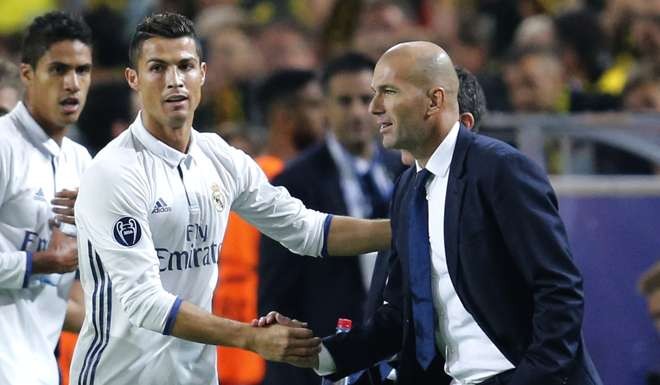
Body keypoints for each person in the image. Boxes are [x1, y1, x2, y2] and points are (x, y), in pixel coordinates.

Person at [70, 13, 390, 385]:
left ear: (202, 73)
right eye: (157, 68)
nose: (175, 81)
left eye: (185, 66)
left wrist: (407, 226)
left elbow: (307, 230)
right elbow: (145, 304)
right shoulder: (114, 172)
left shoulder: (221, 158)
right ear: (133, 79)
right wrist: (251, 338)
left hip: (198, 377)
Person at [263, 41, 603, 385]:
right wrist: (321, 352)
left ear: (434, 100)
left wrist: (534, 378)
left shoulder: (501, 169)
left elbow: (558, 289)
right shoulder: (407, 188)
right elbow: (399, 316)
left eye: (389, 91)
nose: (374, 108)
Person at [259, 52, 405, 385]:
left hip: (395, 362)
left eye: (366, 99)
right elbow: (277, 295)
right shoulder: (291, 184)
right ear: (324, 106)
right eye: (343, 101)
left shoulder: (404, 171)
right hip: (324, 364)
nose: (357, 112)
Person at [214, 69, 325, 385]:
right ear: (284, 118)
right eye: (315, 104)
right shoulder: (281, 186)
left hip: (231, 357)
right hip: (266, 358)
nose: (326, 115)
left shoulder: (248, 182)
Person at [0, 11, 92, 385]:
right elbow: (50, 262)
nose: (72, 83)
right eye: (57, 70)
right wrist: (38, 262)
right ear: (27, 74)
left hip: (40, 366)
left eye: (82, 70)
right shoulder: (4, 146)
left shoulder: (81, 162)